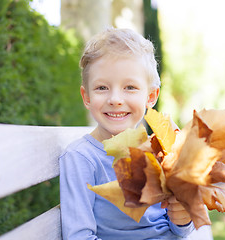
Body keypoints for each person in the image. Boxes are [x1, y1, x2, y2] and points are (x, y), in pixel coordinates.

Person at [59, 27, 194, 240]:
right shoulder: (81, 158)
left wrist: (183, 218)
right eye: (102, 88)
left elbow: (181, 229)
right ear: (86, 97)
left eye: (130, 87)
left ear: (150, 96)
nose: (115, 99)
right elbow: (79, 236)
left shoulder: (161, 151)